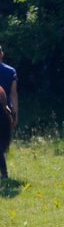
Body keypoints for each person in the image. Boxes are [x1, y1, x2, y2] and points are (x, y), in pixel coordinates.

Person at [0, 45, 17, 179]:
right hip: (6, 111)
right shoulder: (10, 71)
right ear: (2, 54)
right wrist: (14, 113)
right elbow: (13, 94)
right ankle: (4, 174)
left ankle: (4, 173)